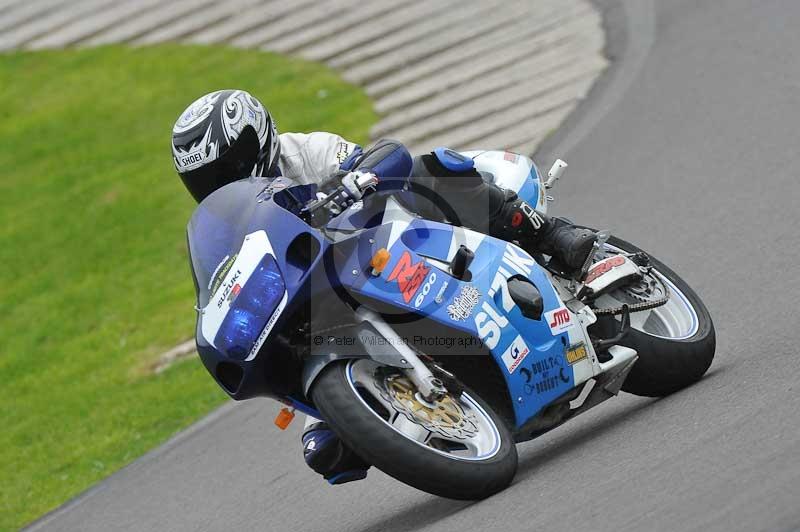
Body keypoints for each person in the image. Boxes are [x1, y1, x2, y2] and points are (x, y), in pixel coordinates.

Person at [172, 89, 597, 485]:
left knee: (427, 171)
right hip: (328, 308)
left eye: (227, 167)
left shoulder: (302, 152)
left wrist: (354, 181)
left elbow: (384, 157)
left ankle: (553, 235)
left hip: (387, 242)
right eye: (206, 178)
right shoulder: (227, 221)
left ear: (260, 139)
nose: (220, 183)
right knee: (326, 451)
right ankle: (417, 401)